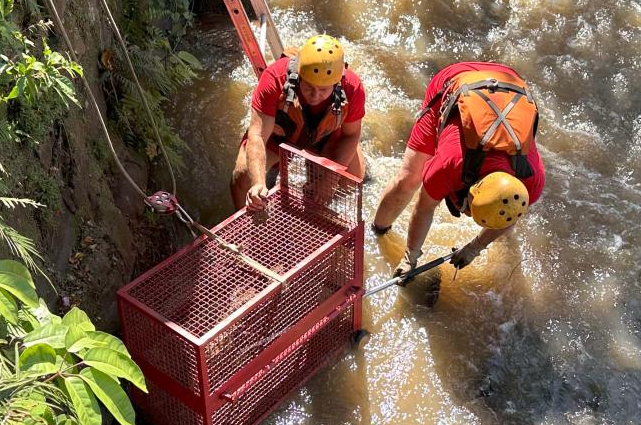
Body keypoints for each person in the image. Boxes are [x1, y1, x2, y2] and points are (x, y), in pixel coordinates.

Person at [372, 60, 544, 278]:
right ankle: (378, 230)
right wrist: (410, 257)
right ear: (473, 189)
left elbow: (513, 215)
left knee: (506, 214)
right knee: (409, 179)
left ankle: (499, 240)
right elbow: (424, 208)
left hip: (510, 87)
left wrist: (475, 247)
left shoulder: (531, 183)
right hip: (455, 83)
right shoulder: (449, 166)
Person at [230, 34, 366, 210]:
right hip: (280, 135)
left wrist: (329, 180)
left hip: (326, 135)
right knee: (242, 177)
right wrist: (258, 183)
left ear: (337, 82)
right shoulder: (274, 78)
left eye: (323, 89)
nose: (315, 95)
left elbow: (351, 135)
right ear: (300, 75)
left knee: (349, 183)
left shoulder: (352, 87)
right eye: (309, 86)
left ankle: (327, 170)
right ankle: (248, 218)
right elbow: (257, 135)